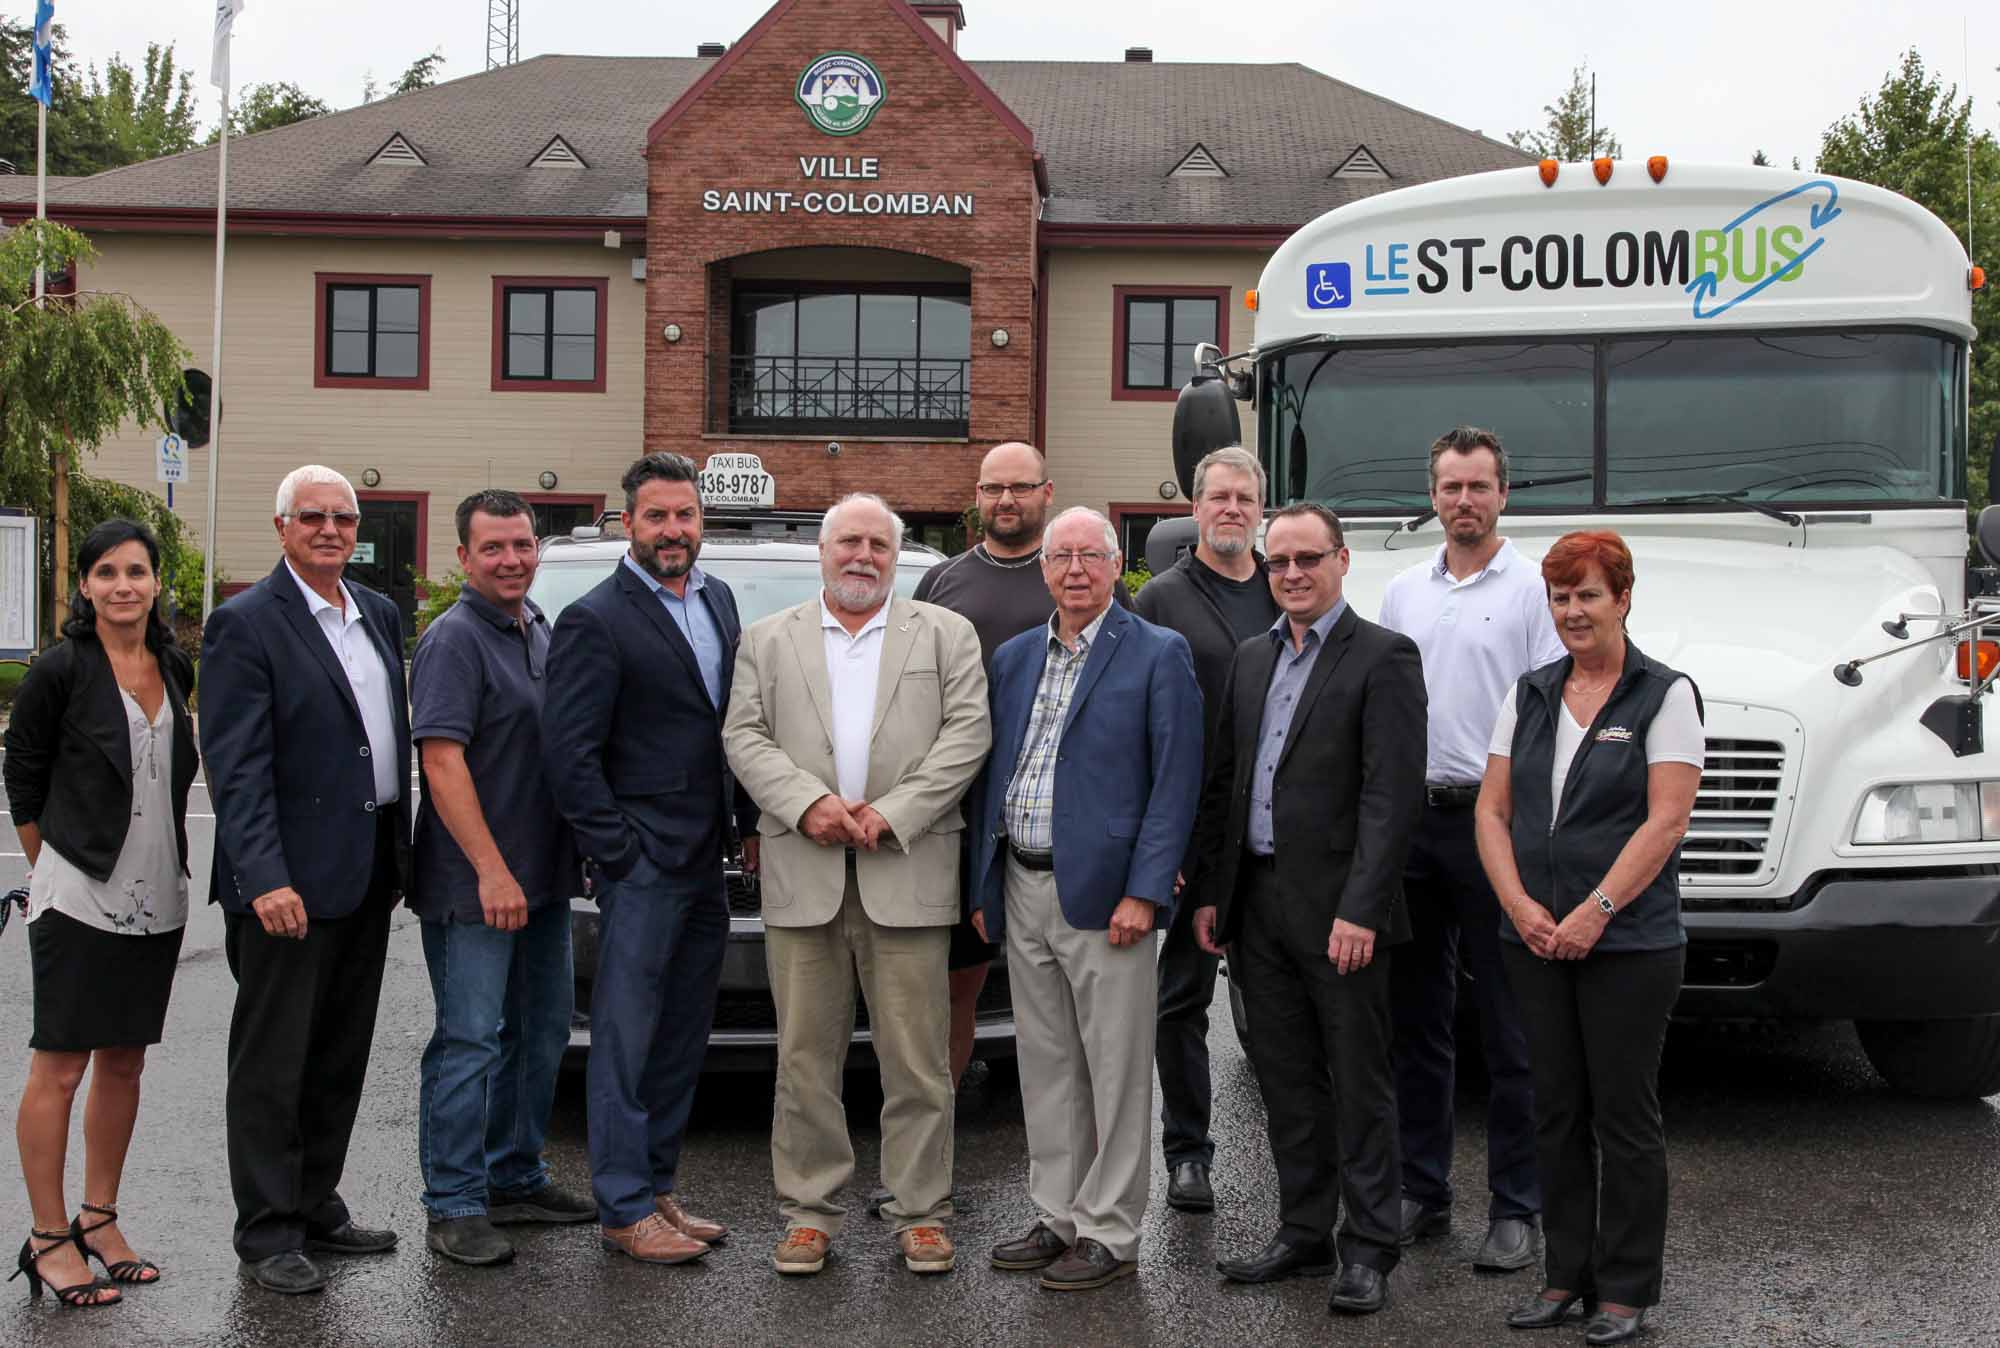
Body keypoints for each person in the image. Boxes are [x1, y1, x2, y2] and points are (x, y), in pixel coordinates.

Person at [724, 494, 990, 1278]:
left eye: (878, 543)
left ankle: (922, 1213)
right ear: (822, 550)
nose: (862, 556)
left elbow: (968, 732)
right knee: (805, 1060)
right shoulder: (767, 641)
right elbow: (743, 733)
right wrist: (808, 805)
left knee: (918, 1062)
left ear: (895, 555)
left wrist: (895, 812)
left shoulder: (945, 635)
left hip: (906, 869)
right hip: (804, 875)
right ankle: (808, 1214)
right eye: (848, 541)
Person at [1190, 503, 1426, 1314]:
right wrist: (1214, 897)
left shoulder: (1385, 658)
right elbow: (1226, 784)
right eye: (1278, 560)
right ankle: (1302, 1230)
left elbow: (1392, 799)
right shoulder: (1252, 659)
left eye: (1307, 559)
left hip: (1342, 918)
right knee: (1285, 1077)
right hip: (1257, 907)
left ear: (1342, 560)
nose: (1291, 573)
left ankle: (1368, 1248)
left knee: (1359, 1082)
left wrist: (1361, 909)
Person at [1473, 530, 1701, 1346]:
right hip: (1531, 939)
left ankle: (1627, 1289)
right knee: (1554, 1110)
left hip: (1630, 945)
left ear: (1623, 599)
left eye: (1589, 595)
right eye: (1561, 597)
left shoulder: (1664, 694)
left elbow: (1666, 819)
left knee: (1623, 1116)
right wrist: (1520, 906)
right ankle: (1566, 1275)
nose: (1573, 611)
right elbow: (1492, 810)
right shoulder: (1529, 693)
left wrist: (1595, 911)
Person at [974, 507, 1203, 1293]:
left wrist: (1147, 890)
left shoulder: (1157, 654)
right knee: (1046, 1065)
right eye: (1059, 556)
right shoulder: (1012, 659)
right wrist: (983, 882)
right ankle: (1060, 1214)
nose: (1074, 569)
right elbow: (993, 775)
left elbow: (1175, 783)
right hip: (1024, 883)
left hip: (1111, 902)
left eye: (1090, 555)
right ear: (1042, 570)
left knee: (1114, 1070)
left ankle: (1110, 1227)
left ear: (1117, 566)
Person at [202, 466, 412, 1295]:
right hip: (285, 887)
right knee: (272, 1065)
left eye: (344, 517)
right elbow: (237, 765)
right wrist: (263, 878)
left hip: (364, 875)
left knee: (337, 1055)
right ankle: (266, 1233)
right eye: (313, 517)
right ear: (282, 526)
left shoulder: (378, 613)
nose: (330, 529)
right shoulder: (245, 624)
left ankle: (315, 1202)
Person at [541, 452, 756, 1267]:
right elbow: (569, 756)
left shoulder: (720, 600)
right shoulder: (596, 619)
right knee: (626, 1041)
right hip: (642, 867)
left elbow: (726, 727)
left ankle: (659, 1185)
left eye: (686, 515)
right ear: (628, 523)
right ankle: (623, 1208)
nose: (674, 530)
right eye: (657, 516)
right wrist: (616, 852)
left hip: (708, 861)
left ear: (703, 521)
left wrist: (742, 826)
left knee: (681, 1035)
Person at [1377, 427, 1567, 1270]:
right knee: (1415, 1024)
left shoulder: (1534, 591)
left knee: (1511, 1023)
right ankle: (1423, 1191)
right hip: (1411, 826)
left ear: (1504, 494)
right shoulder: (1400, 593)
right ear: (1432, 493)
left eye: (1478, 486)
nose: (1464, 501)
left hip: (1496, 827)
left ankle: (1517, 1206)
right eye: (1450, 486)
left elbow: (1549, 719)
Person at [3, 521, 198, 1309]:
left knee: (125, 1062)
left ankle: (100, 1220)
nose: (124, 585)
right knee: (61, 1065)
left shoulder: (174, 663)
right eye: (107, 572)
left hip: (159, 891)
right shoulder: (60, 670)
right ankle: (49, 1238)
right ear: (84, 586)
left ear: (157, 584)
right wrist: (57, 862)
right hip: (78, 895)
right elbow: (24, 773)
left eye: (138, 571)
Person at [908, 441, 1130, 1102]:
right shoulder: (941, 582)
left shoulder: (1083, 579)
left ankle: (1074, 1171)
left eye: (1020, 488)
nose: (1006, 501)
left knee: (1065, 1003)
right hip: (962, 819)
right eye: (992, 489)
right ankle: (932, 1143)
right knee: (953, 990)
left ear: (1047, 492)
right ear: (976, 499)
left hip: (1061, 831)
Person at [410, 491, 593, 1267]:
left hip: (543, 877)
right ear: (464, 558)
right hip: (475, 885)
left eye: (522, 545)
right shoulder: (453, 639)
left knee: (542, 1030)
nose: (512, 560)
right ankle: (454, 1202)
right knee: (469, 1042)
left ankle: (515, 1175)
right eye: (494, 549)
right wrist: (490, 870)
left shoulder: (536, 627)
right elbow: (441, 760)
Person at [1132, 445, 1278, 1215]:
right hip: (1193, 836)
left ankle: (1304, 1151)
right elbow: (1135, 726)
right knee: (1182, 998)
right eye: (1216, 497)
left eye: (1243, 498)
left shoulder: (1287, 589)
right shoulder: (1160, 599)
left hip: (1274, 835)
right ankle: (1187, 1152)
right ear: (1195, 508)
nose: (1230, 509)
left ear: (1261, 509)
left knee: (1284, 999)